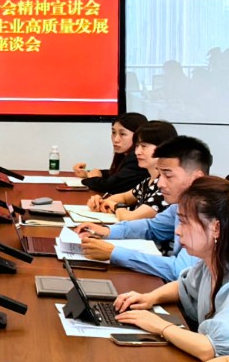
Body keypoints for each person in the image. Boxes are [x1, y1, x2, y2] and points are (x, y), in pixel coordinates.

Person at [111, 176, 229, 359]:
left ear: (216, 228)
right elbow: (183, 285)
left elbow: (210, 349)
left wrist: (160, 326)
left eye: (185, 222)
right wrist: (149, 297)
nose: (178, 231)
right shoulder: (212, 263)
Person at [79, 134, 210, 280]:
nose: (160, 183)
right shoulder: (181, 206)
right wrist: (106, 231)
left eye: (168, 176)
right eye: (160, 175)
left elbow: (180, 271)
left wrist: (114, 253)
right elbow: (151, 228)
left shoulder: (208, 215)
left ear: (197, 178)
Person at [89, 119, 176, 219]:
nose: (137, 152)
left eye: (144, 146)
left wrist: (117, 206)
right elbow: (124, 197)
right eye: (137, 146)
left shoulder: (167, 186)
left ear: (164, 148)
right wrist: (100, 202)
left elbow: (131, 218)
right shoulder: (148, 181)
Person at [73, 111, 147, 196]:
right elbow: (118, 175)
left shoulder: (137, 158)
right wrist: (93, 173)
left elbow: (111, 186)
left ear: (138, 136)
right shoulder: (126, 155)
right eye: (113, 132)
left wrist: (92, 178)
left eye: (122, 134)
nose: (116, 139)